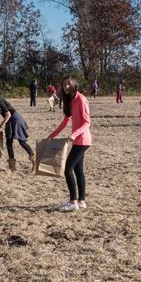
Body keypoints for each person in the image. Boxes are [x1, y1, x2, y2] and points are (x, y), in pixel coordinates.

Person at [49, 76, 91, 212]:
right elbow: (66, 121)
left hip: (83, 140)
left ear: (74, 84)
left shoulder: (81, 99)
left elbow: (87, 122)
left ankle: (73, 202)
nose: (66, 87)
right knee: (78, 170)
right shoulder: (70, 100)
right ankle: (82, 201)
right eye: (64, 85)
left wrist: (73, 135)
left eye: (68, 84)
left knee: (68, 169)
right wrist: (52, 135)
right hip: (77, 141)